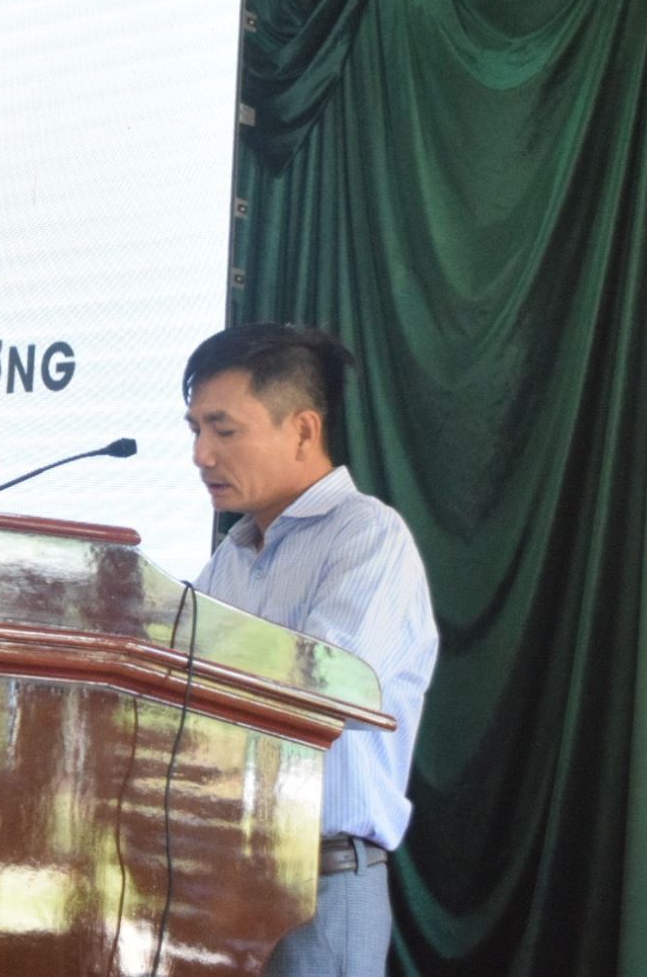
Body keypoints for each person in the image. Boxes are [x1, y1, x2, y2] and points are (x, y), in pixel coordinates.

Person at [182, 322, 439, 977]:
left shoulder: (368, 539)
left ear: (302, 429)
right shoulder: (232, 556)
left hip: (318, 885)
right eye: (195, 429)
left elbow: (321, 691)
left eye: (223, 429)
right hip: (223, 879)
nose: (201, 455)